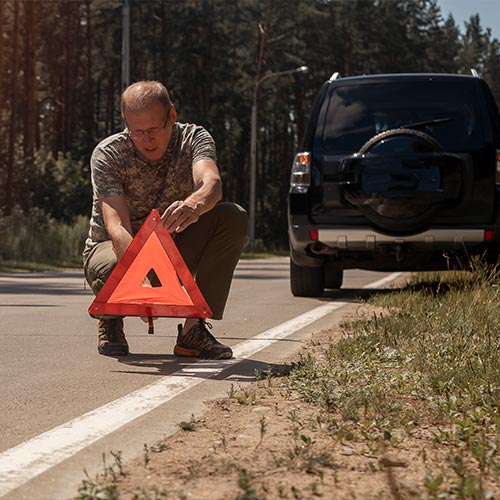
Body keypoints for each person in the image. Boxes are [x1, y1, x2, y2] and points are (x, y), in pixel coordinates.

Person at [83, 80, 248, 359]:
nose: (146, 140)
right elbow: (116, 226)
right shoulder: (109, 153)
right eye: (136, 132)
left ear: (172, 115)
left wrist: (194, 204)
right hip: (113, 249)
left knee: (232, 216)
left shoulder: (193, 138)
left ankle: (193, 332)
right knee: (111, 265)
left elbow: (212, 183)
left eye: (153, 130)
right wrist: (139, 281)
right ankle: (110, 317)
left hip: (170, 247)